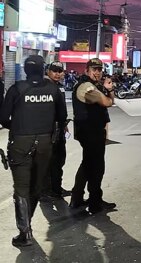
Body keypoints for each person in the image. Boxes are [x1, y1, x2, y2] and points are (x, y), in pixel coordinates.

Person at [0, 55, 66, 247]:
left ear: (26, 70)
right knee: (36, 186)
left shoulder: (17, 89)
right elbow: (61, 116)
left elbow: (3, 118)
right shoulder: (53, 89)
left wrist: (20, 126)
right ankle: (27, 224)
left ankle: (24, 232)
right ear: (42, 69)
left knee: (21, 189)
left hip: (20, 143)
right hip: (45, 143)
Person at [70, 58, 117, 214]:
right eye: (94, 69)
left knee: (88, 164)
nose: (97, 72)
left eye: (99, 69)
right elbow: (106, 102)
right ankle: (94, 202)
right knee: (96, 167)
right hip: (89, 132)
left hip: (94, 131)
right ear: (87, 70)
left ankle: (77, 198)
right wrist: (107, 92)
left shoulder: (95, 85)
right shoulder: (86, 86)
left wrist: (109, 90)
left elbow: (110, 100)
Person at [42, 61, 71, 199]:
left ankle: (57, 188)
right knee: (48, 161)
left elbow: (61, 108)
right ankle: (45, 191)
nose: (57, 74)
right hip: (47, 130)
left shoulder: (60, 87)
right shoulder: (44, 87)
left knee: (59, 160)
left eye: (60, 71)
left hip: (59, 129)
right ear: (48, 71)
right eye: (54, 70)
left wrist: (63, 123)